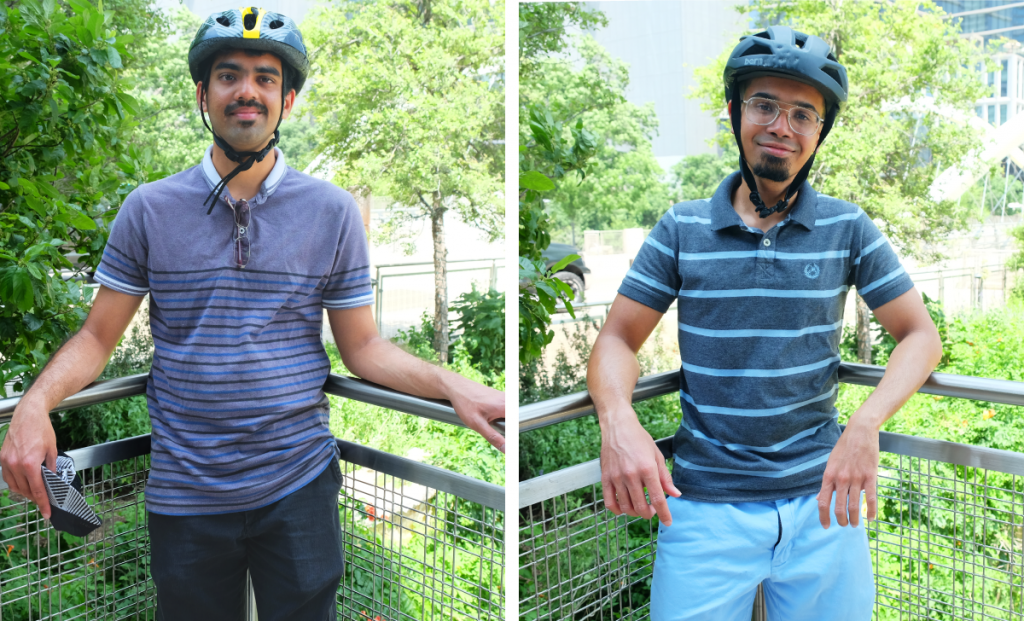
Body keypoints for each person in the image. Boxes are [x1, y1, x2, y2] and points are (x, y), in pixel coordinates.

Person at [0, 8, 504, 620]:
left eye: (266, 78)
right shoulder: (149, 209)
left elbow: (363, 347)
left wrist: (456, 386)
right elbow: (96, 336)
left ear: (287, 99)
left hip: (299, 484)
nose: (247, 90)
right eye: (229, 75)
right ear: (202, 95)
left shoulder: (332, 211)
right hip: (185, 491)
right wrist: (33, 404)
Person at [587, 26, 942, 620]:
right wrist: (617, 420)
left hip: (827, 503)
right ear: (735, 112)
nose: (782, 125)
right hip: (703, 510)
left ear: (819, 133)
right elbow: (618, 340)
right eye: (765, 105)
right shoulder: (681, 229)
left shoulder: (848, 227)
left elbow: (920, 336)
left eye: (804, 114)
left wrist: (866, 424)